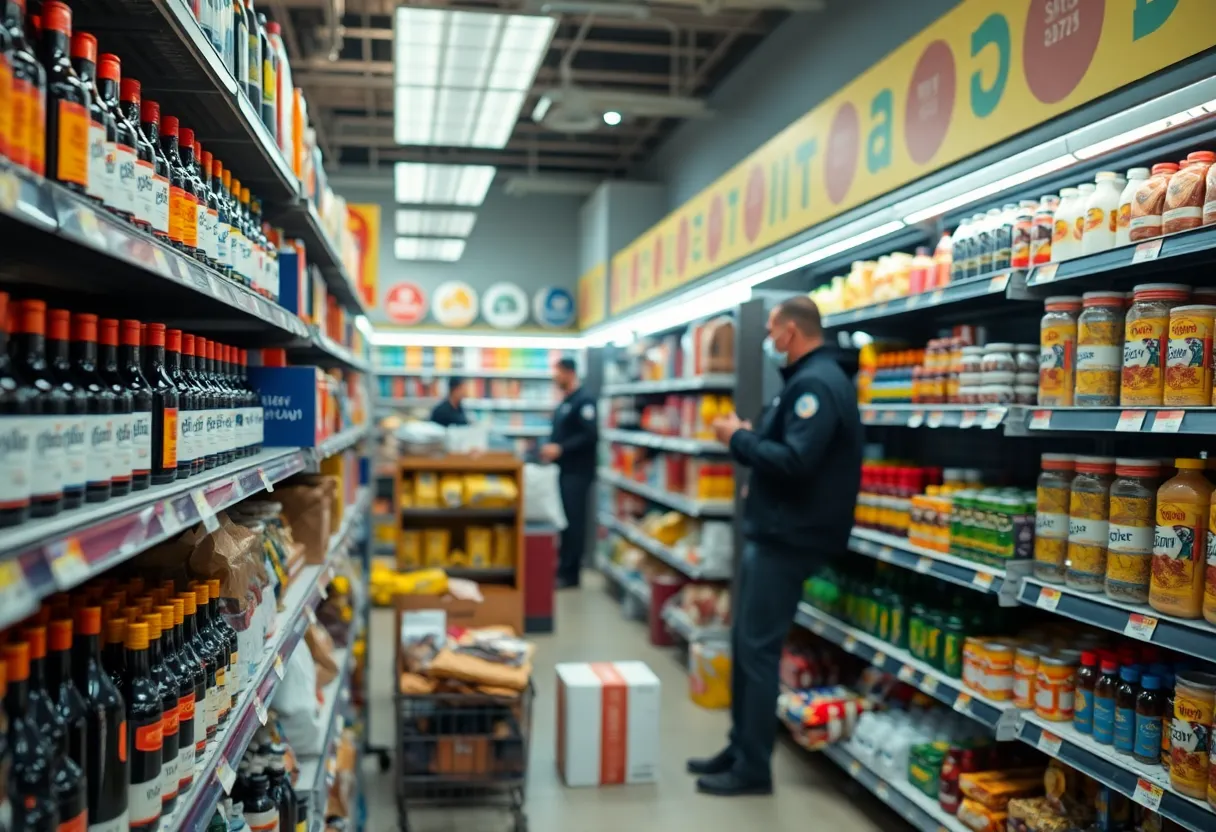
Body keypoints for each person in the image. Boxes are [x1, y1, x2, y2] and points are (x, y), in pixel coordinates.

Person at [689, 295, 861, 796]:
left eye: (771, 329)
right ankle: (740, 745)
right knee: (747, 644)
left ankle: (752, 768)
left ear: (790, 331)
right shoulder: (807, 382)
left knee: (758, 650)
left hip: (788, 538)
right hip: (776, 531)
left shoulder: (815, 385)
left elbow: (796, 461)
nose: (768, 339)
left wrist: (737, 440)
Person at [540, 357, 597, 589]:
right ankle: (563, 569)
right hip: (563, 472)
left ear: (570, 373)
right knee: (565, 522)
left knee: (574, 523)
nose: (556, 378)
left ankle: (571, 574)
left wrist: (561, 448)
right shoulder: (567, 400)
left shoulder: (584, 401)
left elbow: (590, 435)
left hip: (577, 473)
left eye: (559, 373)